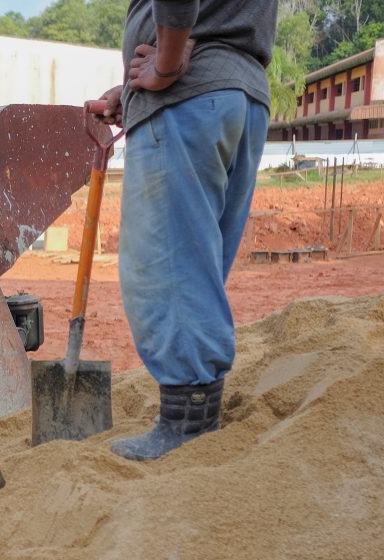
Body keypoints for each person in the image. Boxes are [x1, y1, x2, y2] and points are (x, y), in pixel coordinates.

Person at [96, 1, 277, 461]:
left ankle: (185, 425)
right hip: (240, 97)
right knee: (197, 267)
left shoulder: (182, 68)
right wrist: (134, 92)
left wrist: (167, 62)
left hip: (188, 95)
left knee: (169, 271)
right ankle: (198, 415)